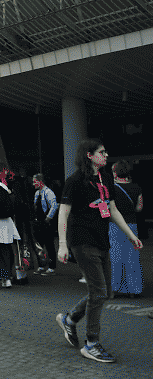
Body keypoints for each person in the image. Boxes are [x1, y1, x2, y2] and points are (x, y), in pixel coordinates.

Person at [56, 140, 143, 363]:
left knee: (103, 290)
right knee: (99, 292)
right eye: (102, 152)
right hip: (82, 241)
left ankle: (69, 319)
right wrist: (63, 244)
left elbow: (112, 209)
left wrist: (131, 235)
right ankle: (91, 343)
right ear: (89, 155)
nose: (106, 155)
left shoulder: (105, 179)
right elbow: (63, 213)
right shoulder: (74, 181)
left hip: (102, 239)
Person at [109, 160, 144, 297]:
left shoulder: (111, 188)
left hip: (115, 226)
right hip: (132, 226)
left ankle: (114, 289)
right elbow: (139, 208)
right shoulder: (137, 188)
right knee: (132, 258)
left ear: (116, 172)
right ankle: (133, 290)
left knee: (115, 258)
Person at [32, 173, 59, 275]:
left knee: (49, 245)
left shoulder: (48, 192)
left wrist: (48, 218)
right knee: (39, 245)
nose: (33, 184)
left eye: (35, 182)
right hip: (38, 222)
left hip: (46, 223)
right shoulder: (37, 193)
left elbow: (54, 206)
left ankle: (52, 267)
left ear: (40, 181)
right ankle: (41, 265)